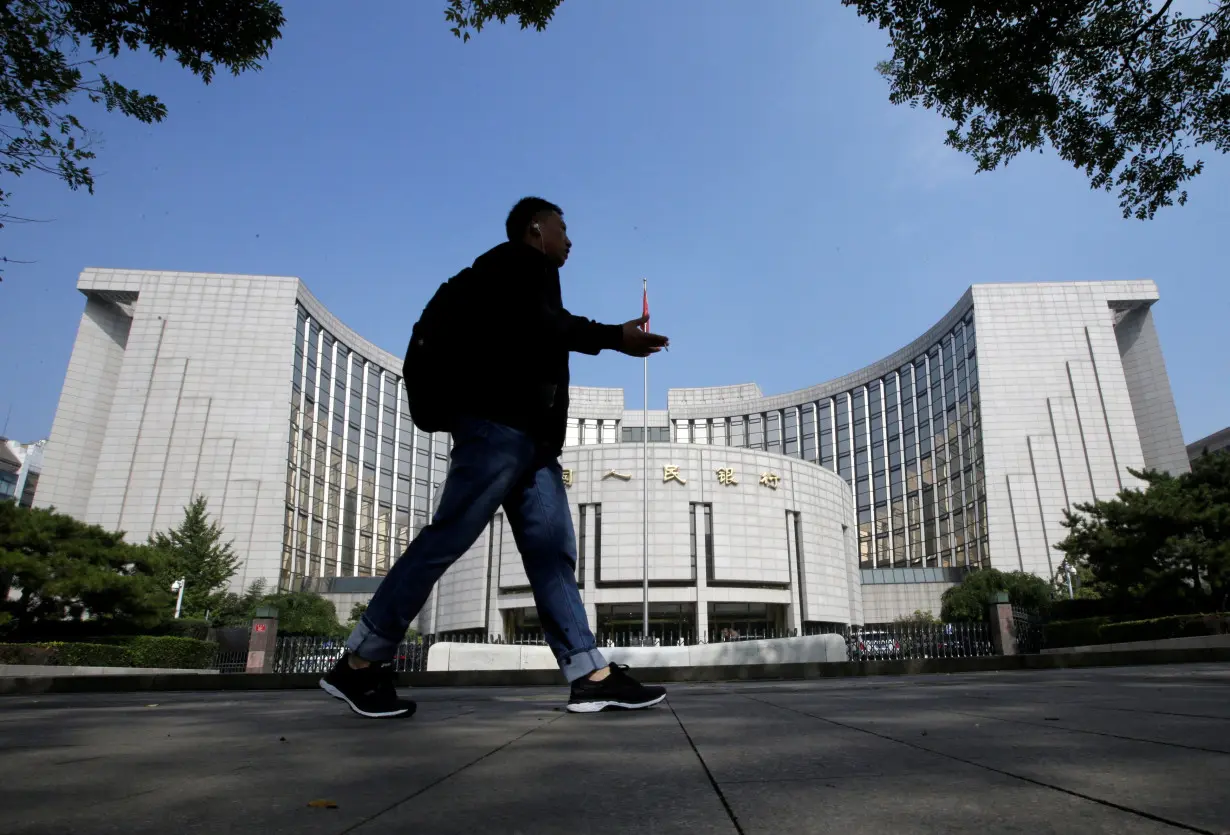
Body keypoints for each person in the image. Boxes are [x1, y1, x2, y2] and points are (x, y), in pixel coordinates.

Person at [320, 197, 671, 719]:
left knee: (552, 554)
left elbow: (539, 336)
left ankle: (589, 674)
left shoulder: (517, 272)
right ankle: (361, 663)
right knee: (449, 537)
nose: (569, 239)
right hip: (498, 432)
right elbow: (549, 327)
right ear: (536, 228)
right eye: (562, 227)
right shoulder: (518, 263)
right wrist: (614, 338)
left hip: (530, 445)